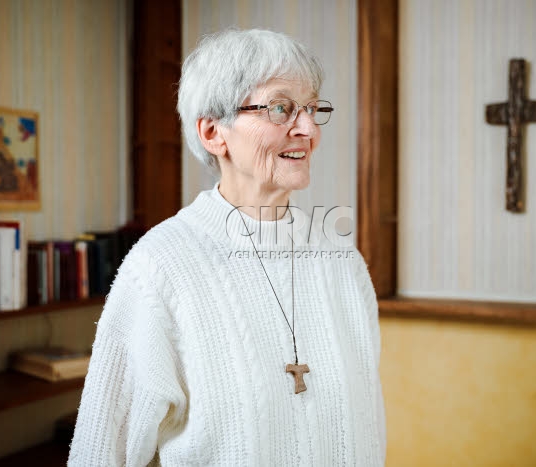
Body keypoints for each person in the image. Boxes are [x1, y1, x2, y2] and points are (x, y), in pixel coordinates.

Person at [68, 28, 386, 466]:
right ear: (213, 132)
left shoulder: (343, 260)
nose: (308, 128)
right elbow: (102, 452)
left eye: (313, 108)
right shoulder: (160, 265)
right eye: (281, 108)